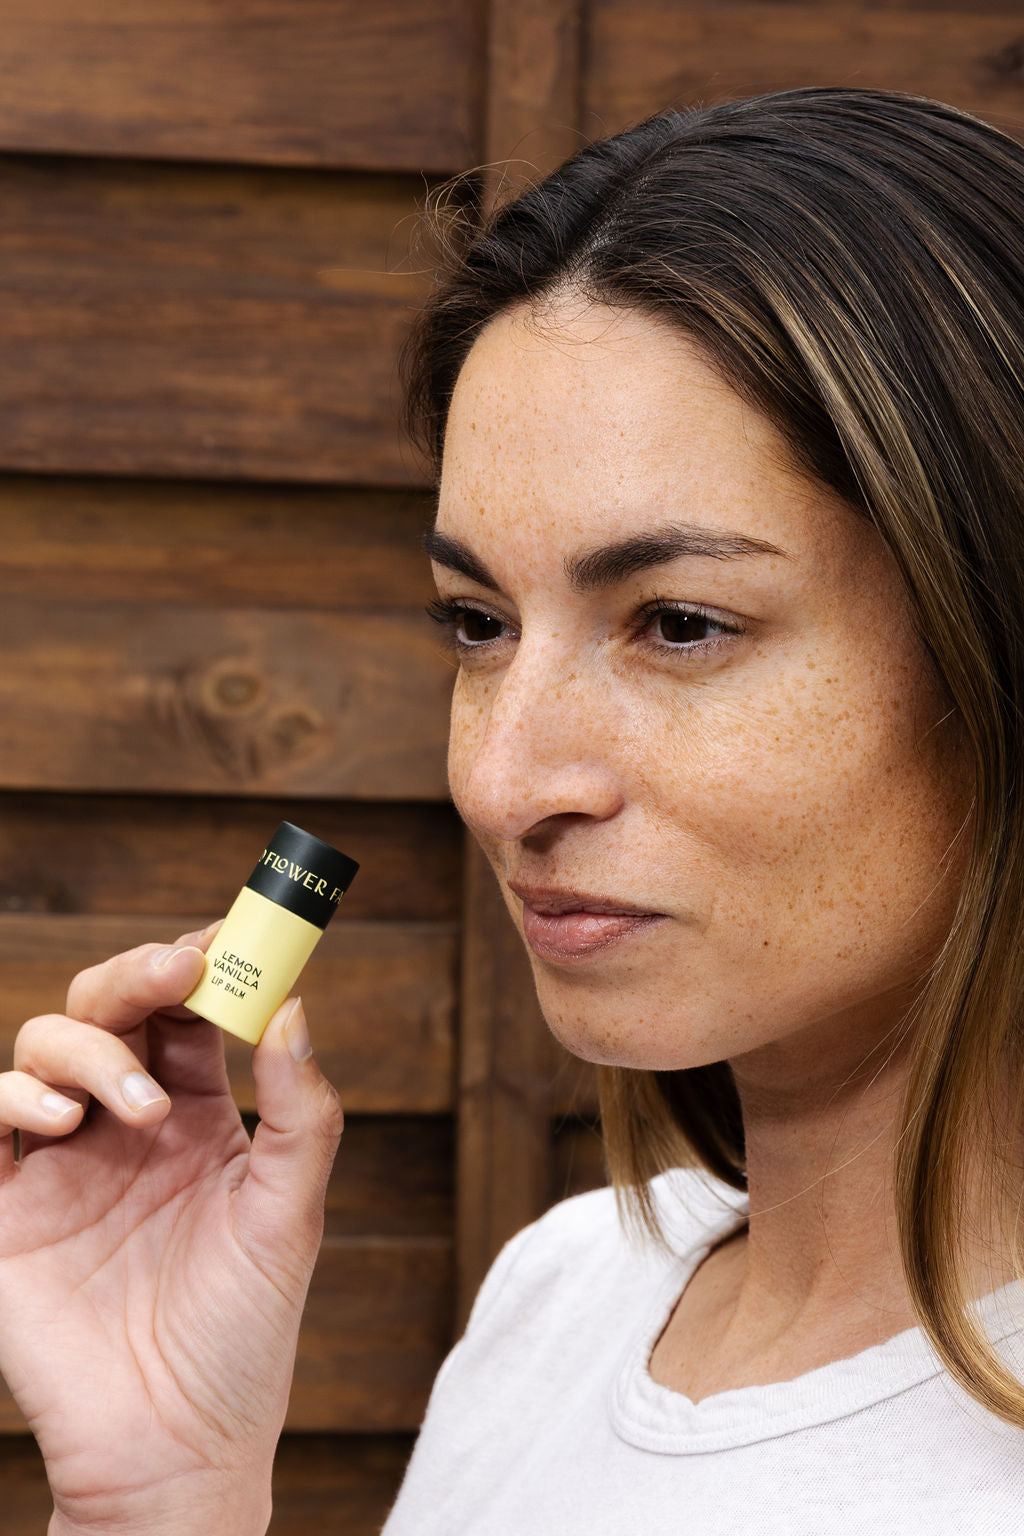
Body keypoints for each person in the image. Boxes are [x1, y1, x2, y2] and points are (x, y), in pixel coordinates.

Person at [3, 84, 1024, 1534]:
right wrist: (166, 1490)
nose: (500, 783)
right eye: (478, 624)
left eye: (678, 623)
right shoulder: (568, 1298)